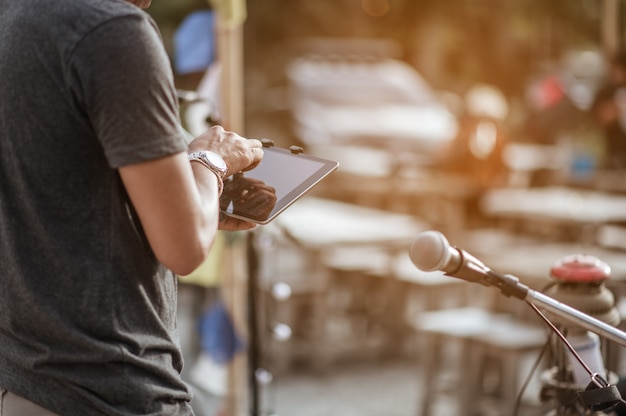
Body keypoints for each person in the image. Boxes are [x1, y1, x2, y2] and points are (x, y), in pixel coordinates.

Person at [0, 0, 263, 414]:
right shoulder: (112, 29)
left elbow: (51, 191)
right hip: (116, 390)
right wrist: (212, 161)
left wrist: (183, 199)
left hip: (24, 386)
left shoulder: (14, 16)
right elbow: (184, 248)